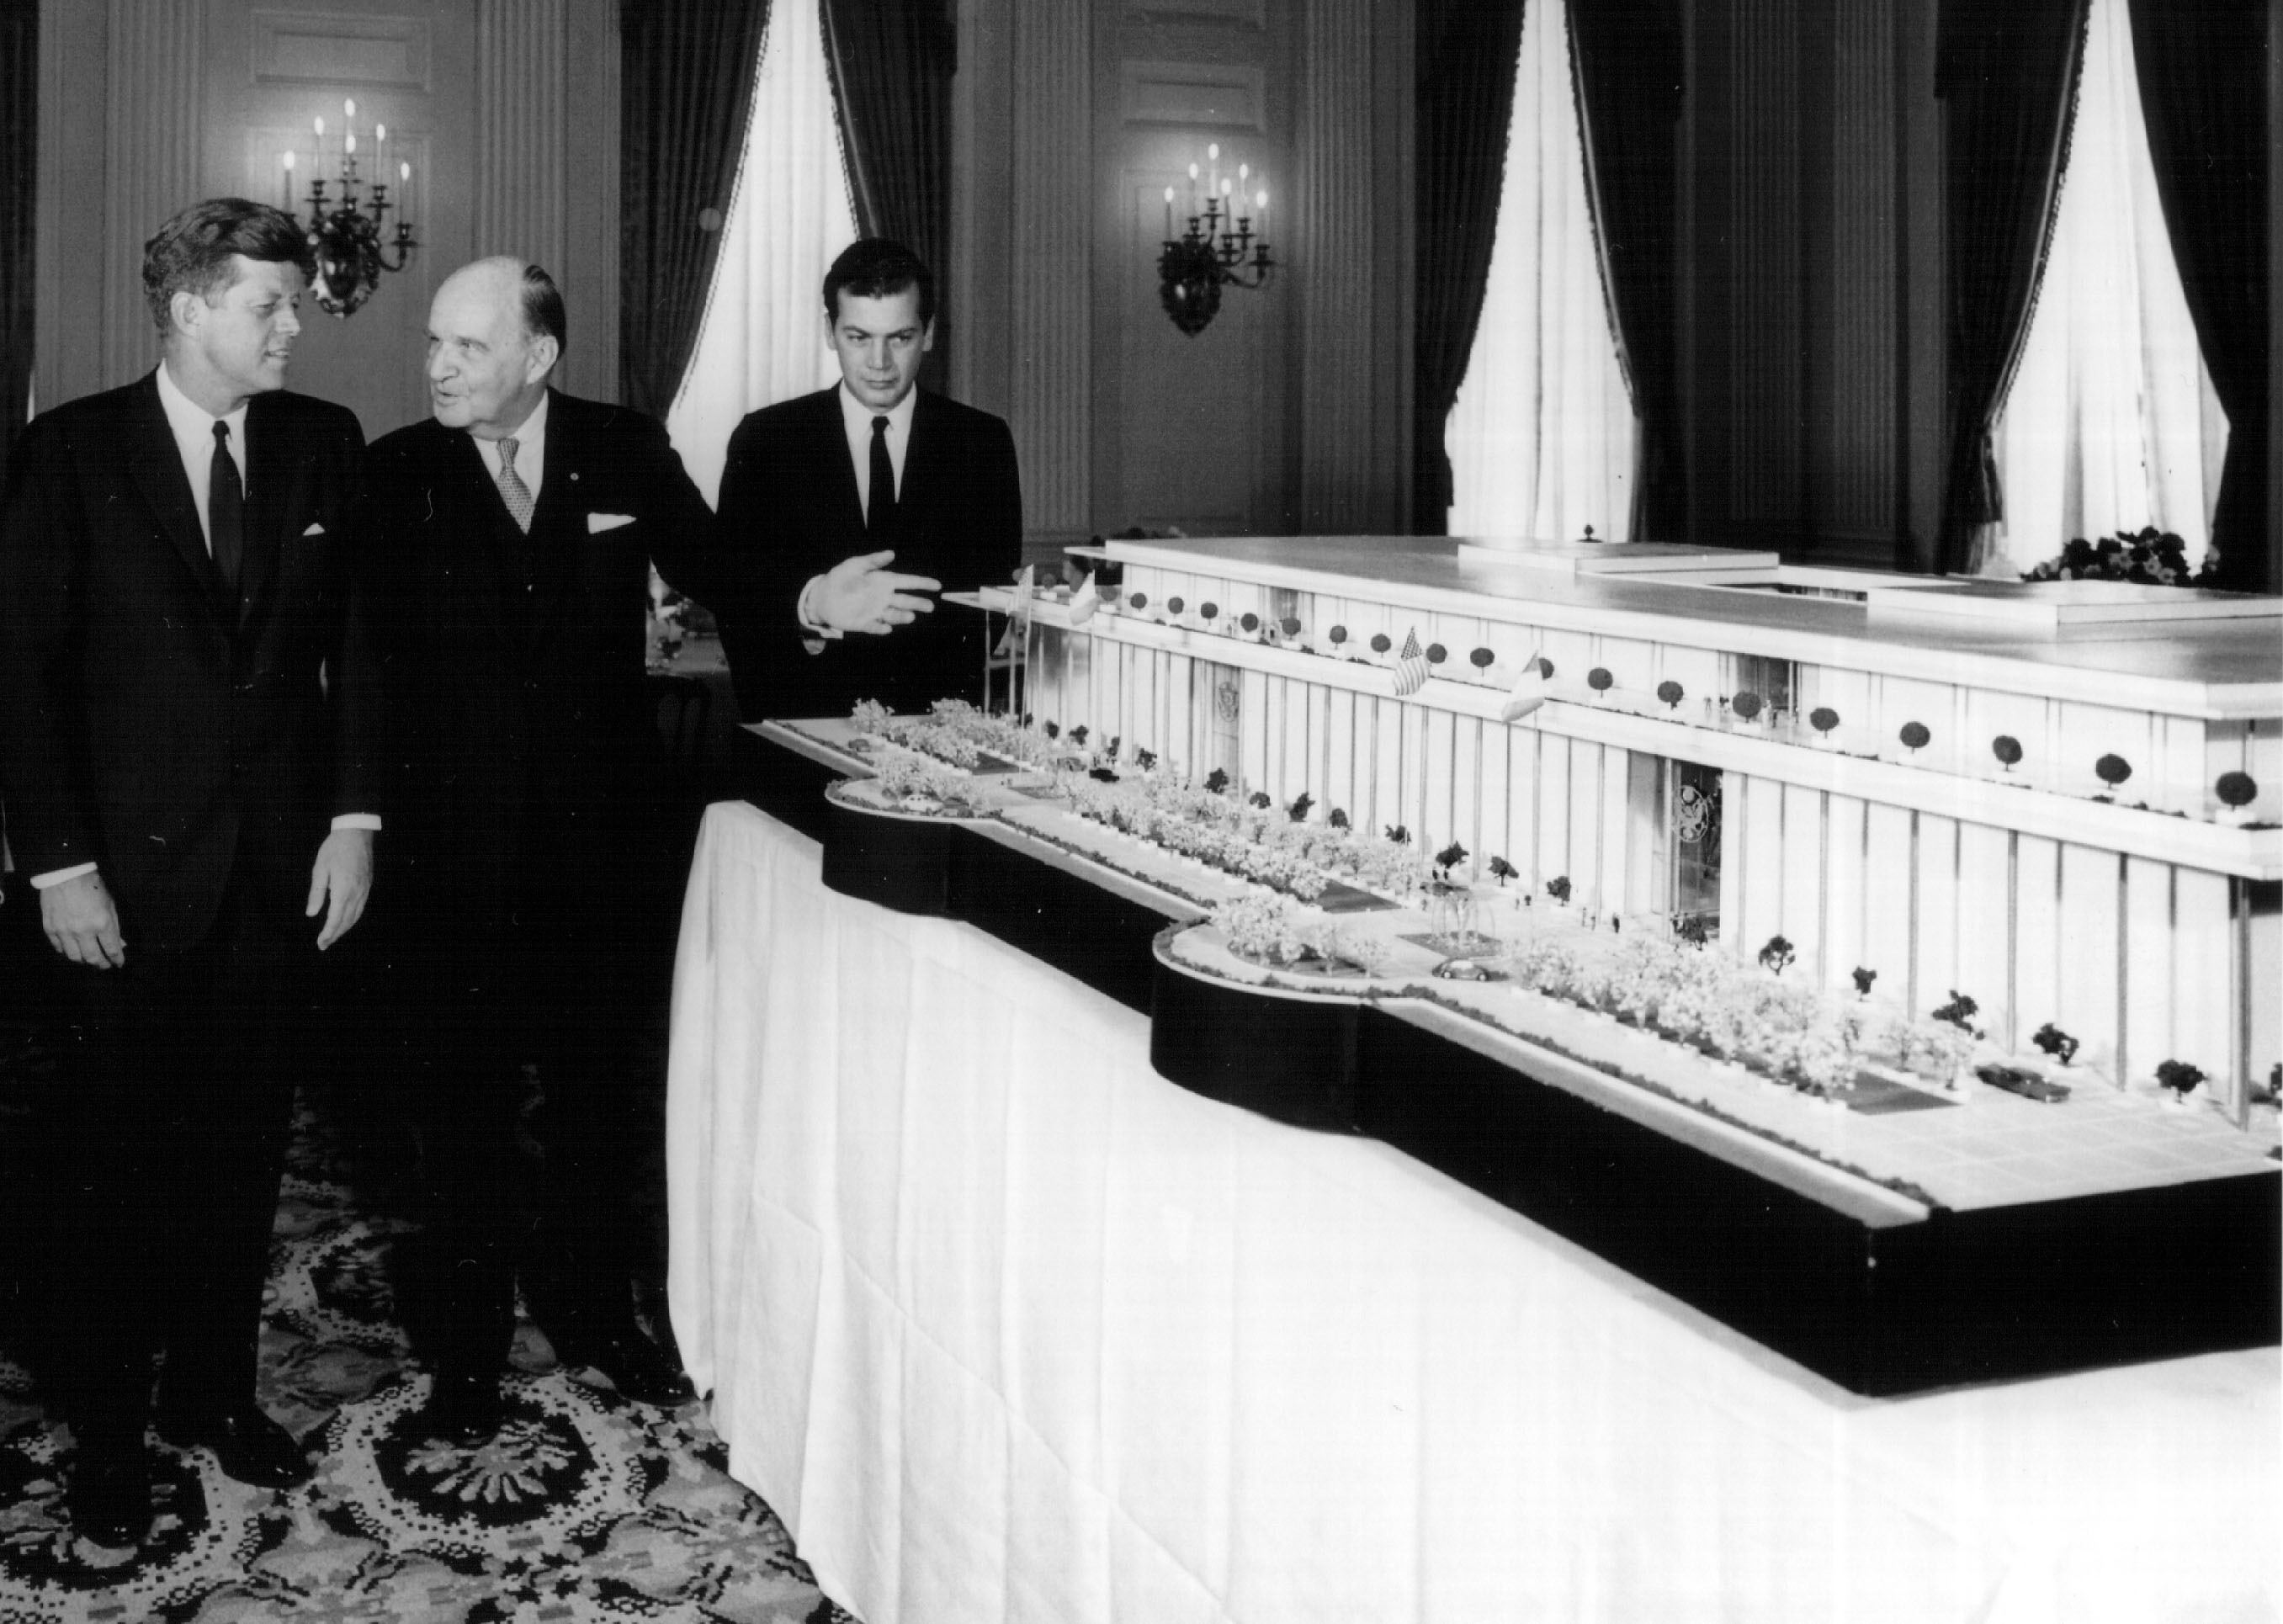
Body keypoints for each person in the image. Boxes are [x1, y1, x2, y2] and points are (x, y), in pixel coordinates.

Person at [0, 199, 381, 1547]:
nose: (295, 324)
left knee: (239, 1160)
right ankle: (110, 1436)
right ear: (188, 310)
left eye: (292, 303)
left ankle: (214, 1395)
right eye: (268, 304)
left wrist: (353, 820)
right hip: (124, 893)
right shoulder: (70, 452)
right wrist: (59, 869)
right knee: (110, 1176)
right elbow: (23, 684)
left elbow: (358, 659)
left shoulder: (324, 446)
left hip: (277, 881)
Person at [364, 257, 719, 1444]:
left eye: (466, 346)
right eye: (434, 343)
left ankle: (594, 1314)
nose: (438, 366)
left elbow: (721, 568)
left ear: (539, 357)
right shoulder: (397, 471)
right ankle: (464, 1352)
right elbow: (359, 665)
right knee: (457, 1113)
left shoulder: (622, 448)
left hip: (597, 852)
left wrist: (814, 594)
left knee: (593, 1104)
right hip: (448, 862)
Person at [714, 237, 1022, 722]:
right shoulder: (765, 440)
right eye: (859, 337)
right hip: (798, 733)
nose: (879, 363)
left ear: (929, 333)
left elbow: (988, 601)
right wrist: (814, 609)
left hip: (931, 735)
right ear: (830, 332)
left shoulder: (980, 442)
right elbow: (737, 594)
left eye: (899, 338)